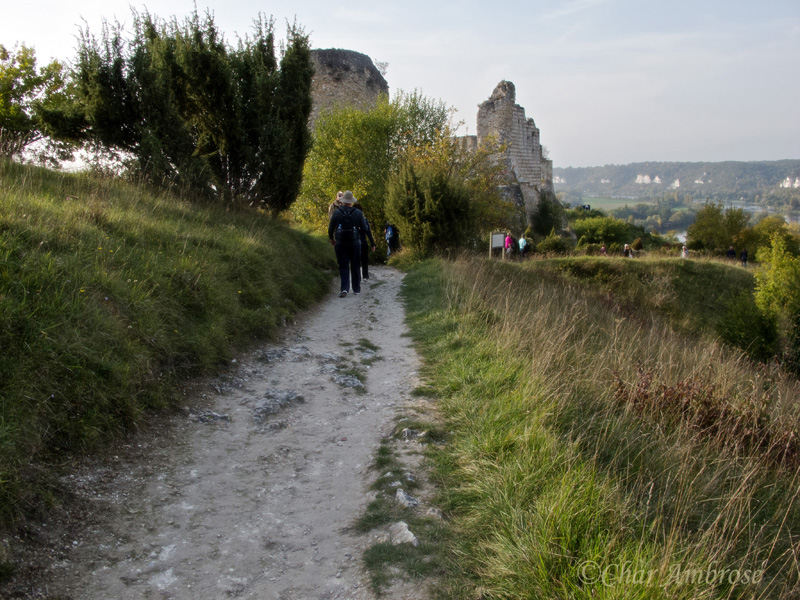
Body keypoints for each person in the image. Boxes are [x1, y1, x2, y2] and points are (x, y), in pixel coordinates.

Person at [328, 191, 370, 298]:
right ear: (351, 202)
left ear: (343, 202)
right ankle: (356, 289)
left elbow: (331, 227)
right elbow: (365, 228)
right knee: (355, 265)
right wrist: (359, 236)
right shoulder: (358, 213)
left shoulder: (337, 213)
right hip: (355, 243)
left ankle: (344, 289)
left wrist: (332, 239)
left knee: (343, 266)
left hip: (341, 243)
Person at [352, 201, 377, 280]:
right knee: (364, 260)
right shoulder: (365, 221)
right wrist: (373, 244)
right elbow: (369, 233)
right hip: (363, 242)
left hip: (354, 243)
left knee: (355, 261)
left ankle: (357, 276)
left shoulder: (351, 221)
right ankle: (365, 276)